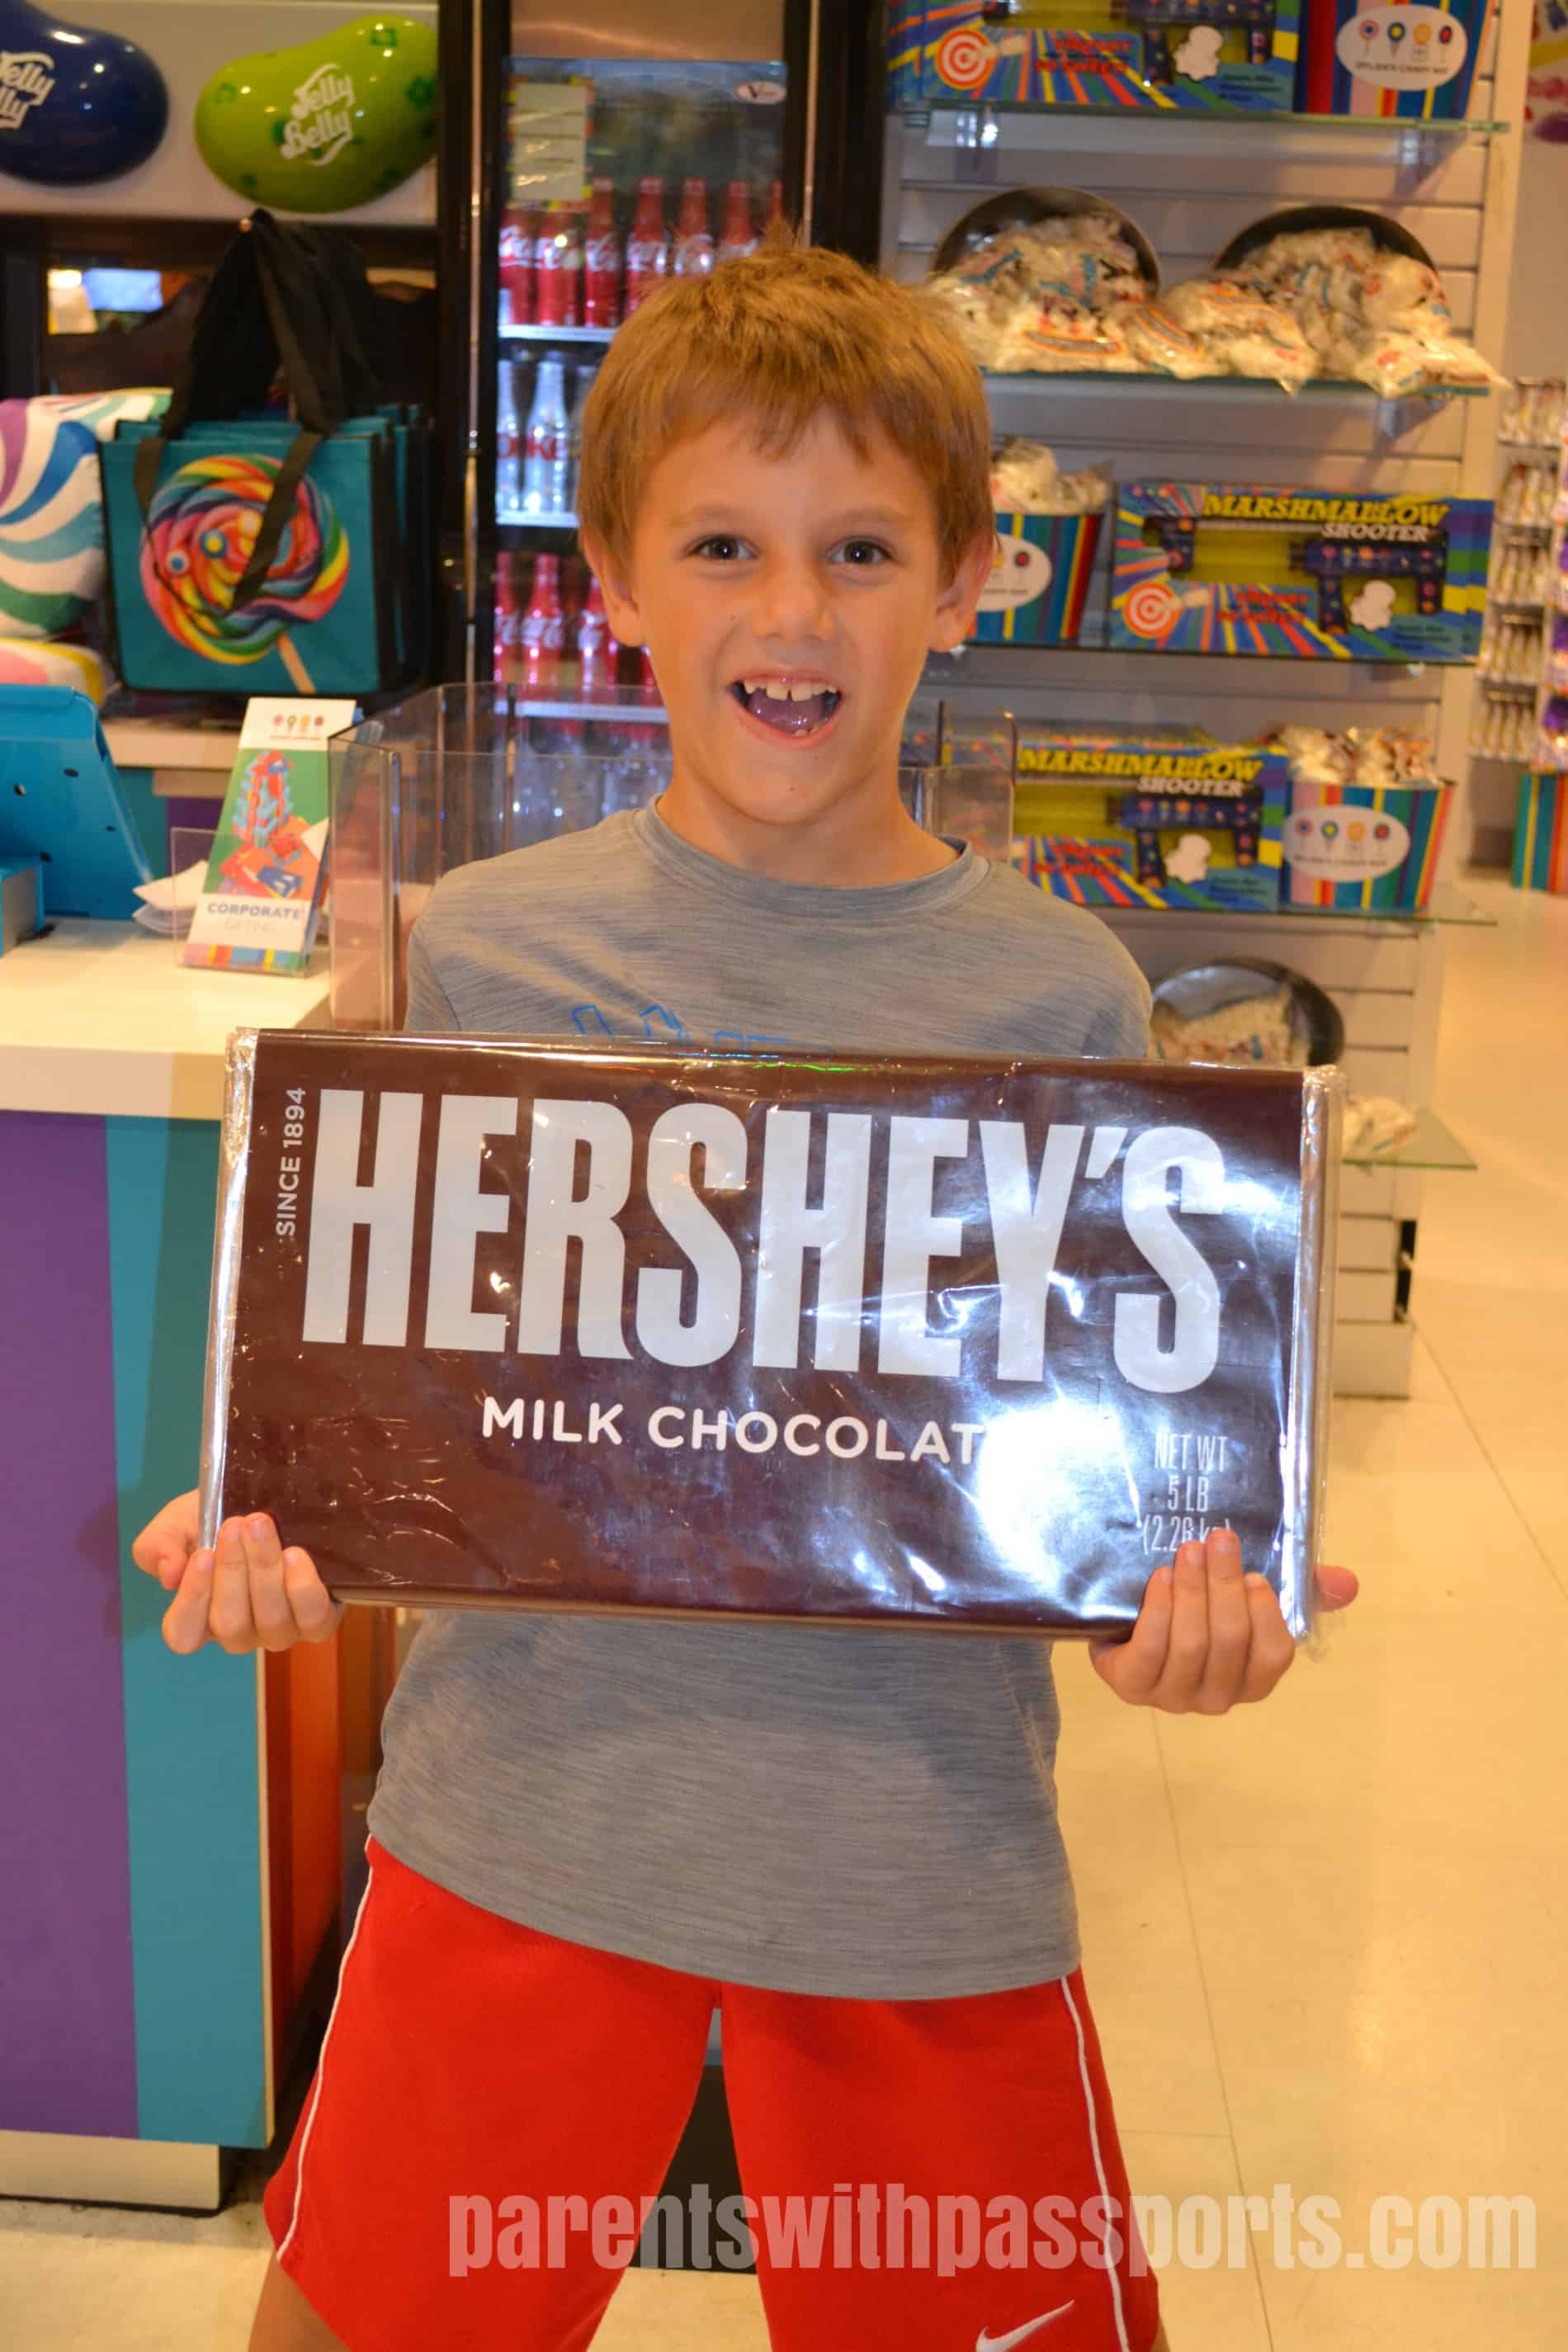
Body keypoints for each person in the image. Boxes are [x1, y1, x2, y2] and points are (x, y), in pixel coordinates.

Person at [133, 232, 1357, 2352]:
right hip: (514, 1827)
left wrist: (1179, 1621)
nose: (792, 614)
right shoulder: (480, 958)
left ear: (961, 580)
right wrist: (282, 1533)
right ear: (614, 576)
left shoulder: (1064, 1002)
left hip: (915, 1868)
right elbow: (400, 1432)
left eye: (859, 550)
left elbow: (1089, 1500)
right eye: (722, 545)